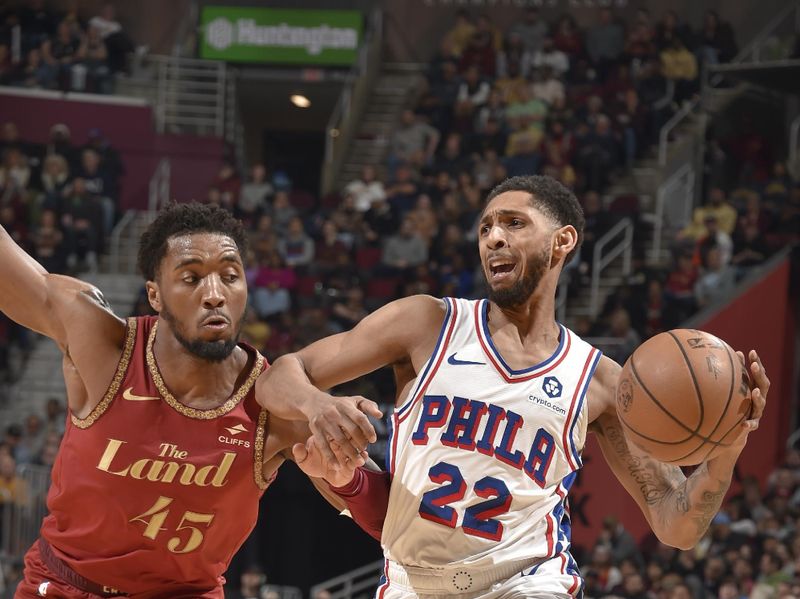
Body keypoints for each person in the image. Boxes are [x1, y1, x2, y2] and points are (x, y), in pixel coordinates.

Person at [260, 175, 770, 598]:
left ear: (562, 241)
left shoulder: (600, 382)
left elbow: (675, 524)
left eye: (513, 223)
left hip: (528, 581)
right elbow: (280, 375)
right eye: (485, 228)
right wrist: (316, 405)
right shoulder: (425, 324)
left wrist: (727, 449)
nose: (493, 238)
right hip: (411, 581)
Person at [0, 202, 372, 598]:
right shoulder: (103, 345)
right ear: (154, 295)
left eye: (230, 276)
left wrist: (348, 473)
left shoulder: (271, 405)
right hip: (64, 585)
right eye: (191, 278)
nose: (214, 295)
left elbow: (380, 510)